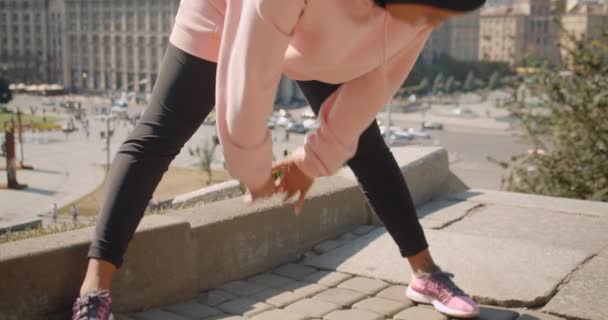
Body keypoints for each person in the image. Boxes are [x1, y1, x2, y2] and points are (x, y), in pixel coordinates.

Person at [71, 1, 486, 319]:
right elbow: (248, 79)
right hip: (229, 10)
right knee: (160, 134)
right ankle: (94, 289)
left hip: (325, 33)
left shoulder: (421, 13)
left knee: (367, 144)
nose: (429, 25)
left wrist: (312, 161)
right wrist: (254, 170)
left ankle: (425, 272)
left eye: (441, 17)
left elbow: (372, 88)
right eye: (431, 13)